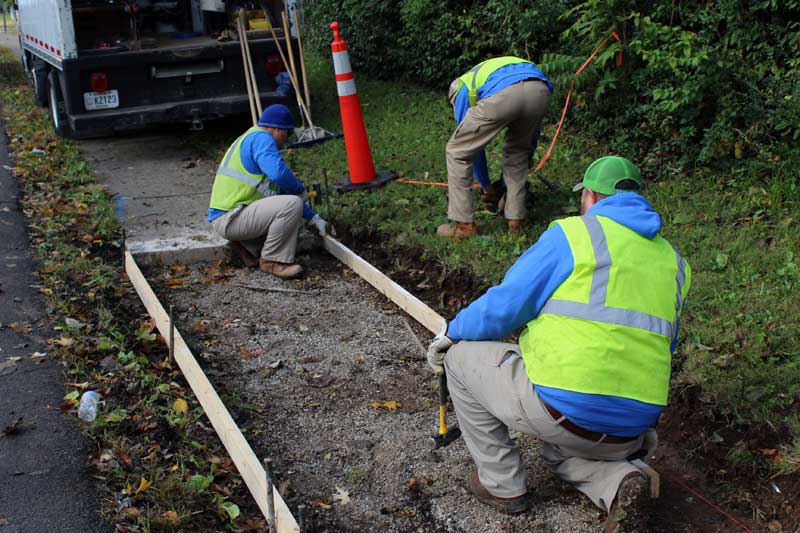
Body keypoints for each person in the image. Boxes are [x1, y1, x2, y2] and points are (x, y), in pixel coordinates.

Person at [427, 156, 691, 531]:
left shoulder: (574, 235)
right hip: (633, 429)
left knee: (461, 359)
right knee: (560, 450)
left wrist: (451, 333)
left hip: (567, 412)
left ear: (591, 196)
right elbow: (666, 345)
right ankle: (620, 482)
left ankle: (501, 484)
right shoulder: (674, 262)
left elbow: (505, 305)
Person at [208, 104, 328, 279]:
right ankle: (272, 261)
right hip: (230, 219)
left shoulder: (250, 138)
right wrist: (298, 188)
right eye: (286, 135)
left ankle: (246, 245)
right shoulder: (261, 139)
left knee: (290, 209)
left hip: (232, 216)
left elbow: (278, 194)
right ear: (278, 130)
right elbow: (279, 174)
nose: (284, 142)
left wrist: (314, 218)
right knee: (291, 205)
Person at [437, 56, 553, 238]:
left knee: (457, 152)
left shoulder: (462, 89)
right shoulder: (492, 69)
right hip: (539, 90)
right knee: (518, 153)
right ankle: (515, 220)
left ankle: (464, 227)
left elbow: (470, 150)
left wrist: (486, 186)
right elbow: (531, 137)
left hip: (505, 94)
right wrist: (527, 151)